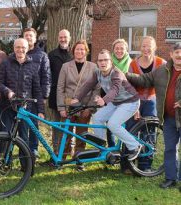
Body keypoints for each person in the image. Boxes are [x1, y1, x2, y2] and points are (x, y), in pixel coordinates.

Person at [126, 42, 181, 189]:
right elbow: (144, 80)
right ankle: (171, 178)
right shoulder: (162, 70)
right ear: (171, 55)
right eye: (176, 52)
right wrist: (124, 74)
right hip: (168, 117)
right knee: (170, 148)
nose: (179, 55)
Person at [74, 49, 142, 161]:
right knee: (97, 118)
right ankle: (101, 148)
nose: (103, 63)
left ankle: (135, 146)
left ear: (111, 62)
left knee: (113, 124)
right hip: (116, 102)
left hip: (130, 101)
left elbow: (114, 89)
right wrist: (76, 98)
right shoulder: (97, 72)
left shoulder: (116, 73)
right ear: (97, 62)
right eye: (100, 60)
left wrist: (104, 100)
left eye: (105, 60)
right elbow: (87, 85)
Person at [125, 36, 166, 172]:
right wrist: (135, 106)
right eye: (143, 46)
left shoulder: (161, 63)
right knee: (130, 130)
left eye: (149, 46)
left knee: (149, 132)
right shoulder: (133, 64)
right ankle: (127, 163)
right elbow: (129, 87)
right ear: (139, 47)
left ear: (154, 48)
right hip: (134, 100)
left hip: (151, 102)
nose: (146, 49)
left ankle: (145, 165)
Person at [0, 38, 44, 148]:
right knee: (7, 136)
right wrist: (7, 91)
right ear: (14, 48)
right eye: (18, 47)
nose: (20, 50)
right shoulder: (5, 63)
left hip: (25, 107)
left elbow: (37, 89)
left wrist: (41, 110)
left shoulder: (33, 66)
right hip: (8, 106)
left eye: (23, 47)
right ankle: (6, 162)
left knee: (24, 138)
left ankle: (25, 164)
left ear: (27, 49)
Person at [57, 40, 99, 160]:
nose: (79, 51)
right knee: (65, 132)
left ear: (86, 51)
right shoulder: (66, 66)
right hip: (68, 104)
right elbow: (60, 87)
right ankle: (62, 158)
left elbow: (97, 89)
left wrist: (90, 108)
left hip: (84, 106)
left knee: (82, 133)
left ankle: (79, 159)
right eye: (77, 49)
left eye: (82, 49)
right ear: (73, 51)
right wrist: (61, 108)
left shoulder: (93, 67)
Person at [23, 28, 51, 157]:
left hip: (36, 94)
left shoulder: (42, 55)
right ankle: (22, 147)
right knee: (22, 123)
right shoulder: (18, 52)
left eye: (31, 36)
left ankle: (33, 148)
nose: (28, 37)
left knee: (33, 123)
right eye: (26, 35)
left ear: (35, 39)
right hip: (22, 94)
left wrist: (44, 95)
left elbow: (46, 76)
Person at [48, 29, 72, 153]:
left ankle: (68, 151)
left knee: (69, 125)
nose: (63, 40)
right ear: (58, 38)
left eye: (65, 37)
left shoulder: (74, 54)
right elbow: (47, 75)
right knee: (56, 125)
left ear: (69, 38)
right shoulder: (51, 55)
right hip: (55, 95)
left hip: (71, 96)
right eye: (61, 37)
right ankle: (56, 152)